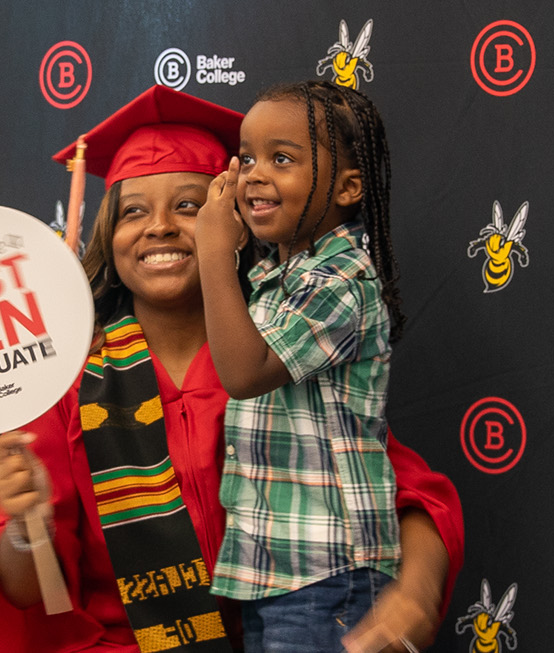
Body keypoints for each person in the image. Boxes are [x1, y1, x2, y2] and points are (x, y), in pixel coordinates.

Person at [0, 86, 459, 653]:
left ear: (234, 220)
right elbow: (31, 596)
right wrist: (27, 529)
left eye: (190, 206)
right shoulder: (68, 384)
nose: (160, 227)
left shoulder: (277, 353)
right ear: (108, 236)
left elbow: (402, 494)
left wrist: (414, 591)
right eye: (133, 211)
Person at [194, 81, 415, 650]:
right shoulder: (276, 281)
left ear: (348, 187)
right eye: (246, 157)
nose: (253, 174)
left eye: (282, 159)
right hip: (279, 572)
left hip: (330, 575)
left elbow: (244, 374)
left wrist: (214, 252)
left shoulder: (342, 281)